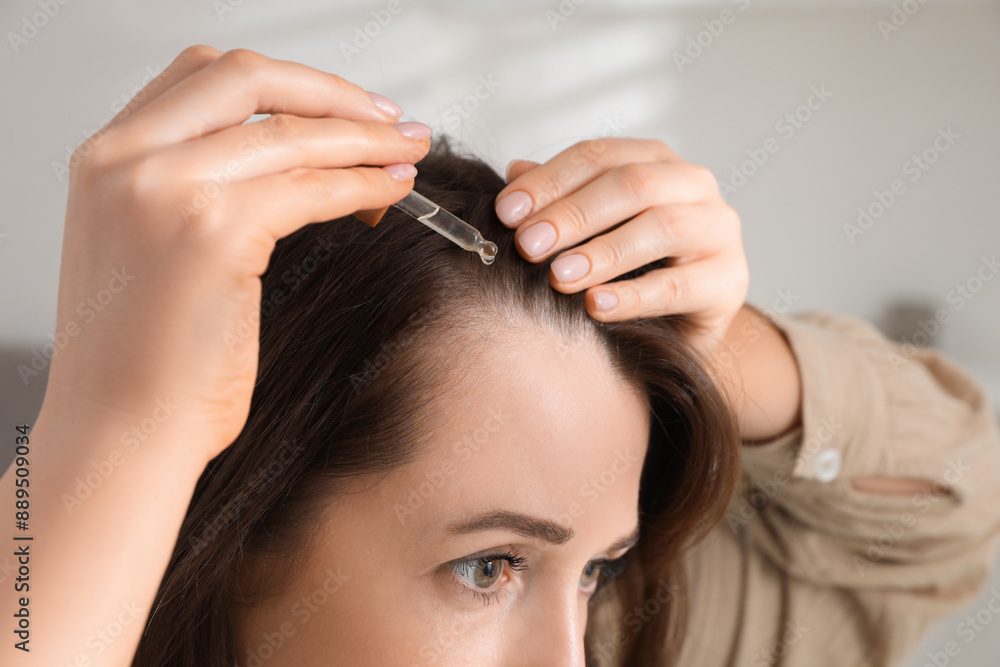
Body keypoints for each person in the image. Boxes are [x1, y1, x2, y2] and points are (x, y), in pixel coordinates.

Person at [3, 45, 998, 667]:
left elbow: (964, 506)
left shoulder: (636, 636)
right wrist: (118, 436)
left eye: (601, 569)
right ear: (244, 523)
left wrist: (696, 350)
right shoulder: (69, 583)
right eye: (489, 565)